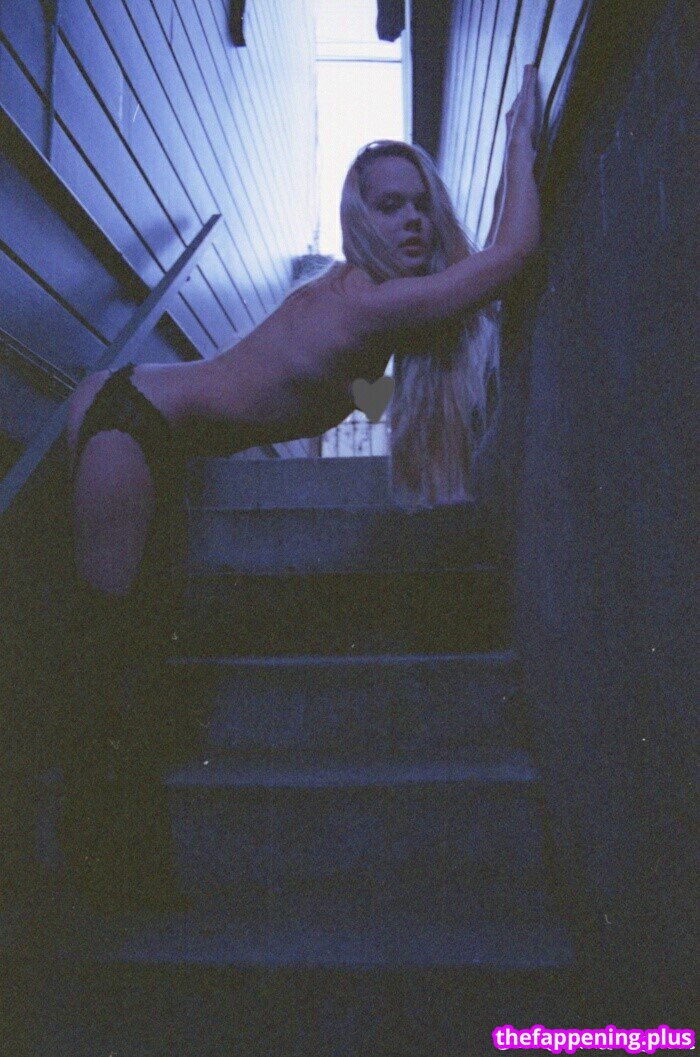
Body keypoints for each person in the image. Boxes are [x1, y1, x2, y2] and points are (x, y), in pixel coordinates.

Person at [59, 65, 541, 914]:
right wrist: (518, 140)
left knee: (131, 646)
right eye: (390, 205)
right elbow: (511, 256)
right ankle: (97, 878)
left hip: (137, 423)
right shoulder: (367, 306)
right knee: (110, 656)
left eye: (422, 204)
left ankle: (110, 867)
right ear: (359, 218)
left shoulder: (363, 307)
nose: (414, 219)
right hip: (131, 427)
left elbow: (356, 395)